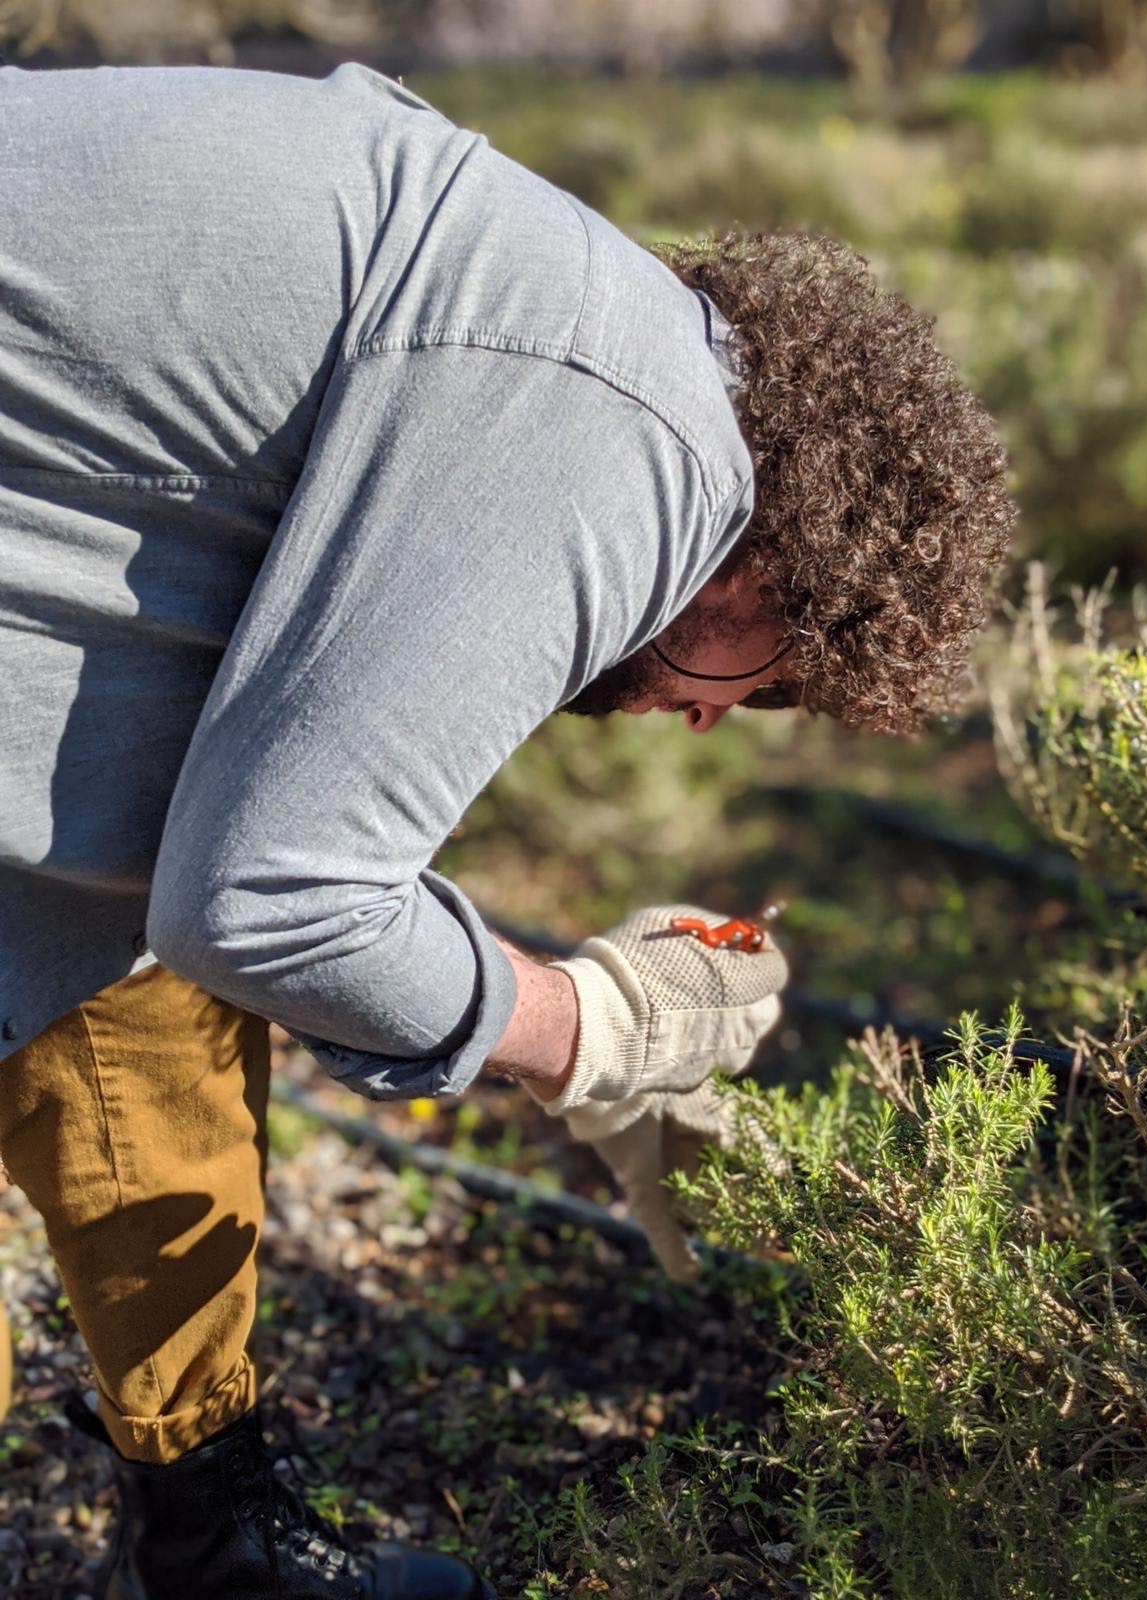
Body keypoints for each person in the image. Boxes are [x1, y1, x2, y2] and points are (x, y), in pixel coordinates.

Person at [0, 56, 1016, 1600]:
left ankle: (213, 1538)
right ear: (767, 570)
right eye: (763, 690)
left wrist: (491, 1002)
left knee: (130, 958)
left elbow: (238, 843)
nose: (698, 720)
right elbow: (279, 898)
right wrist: (584, 1028)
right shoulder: (638, 448)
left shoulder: (582, 335)